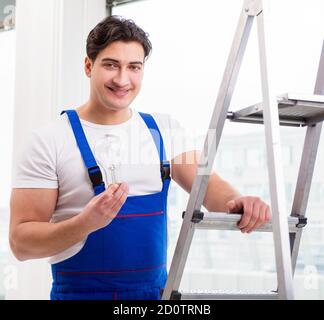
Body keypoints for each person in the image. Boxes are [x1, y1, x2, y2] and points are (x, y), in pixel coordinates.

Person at [9, 15, 271, 300]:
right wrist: (85, 223)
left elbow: (211, 188)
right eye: (111, 65)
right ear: (88, 66)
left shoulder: (166, 130)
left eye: (133, 67)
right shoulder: (48, 140)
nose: (123, 79)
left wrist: (241, 201)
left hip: (155, 295)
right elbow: (20, 243)